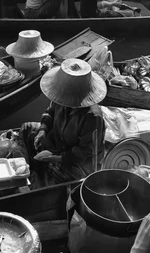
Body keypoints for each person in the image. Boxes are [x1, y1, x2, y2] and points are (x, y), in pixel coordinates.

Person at [19, 58, 106, 187]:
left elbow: (84, 152)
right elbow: (49, 113)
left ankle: (42, 177)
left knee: (56, 174)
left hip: (79, 163)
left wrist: (56, 158)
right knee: (27, 128)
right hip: (58, 143)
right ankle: (29, 168)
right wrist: (43, 130)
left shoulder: (93, 118)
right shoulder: (60, 97)